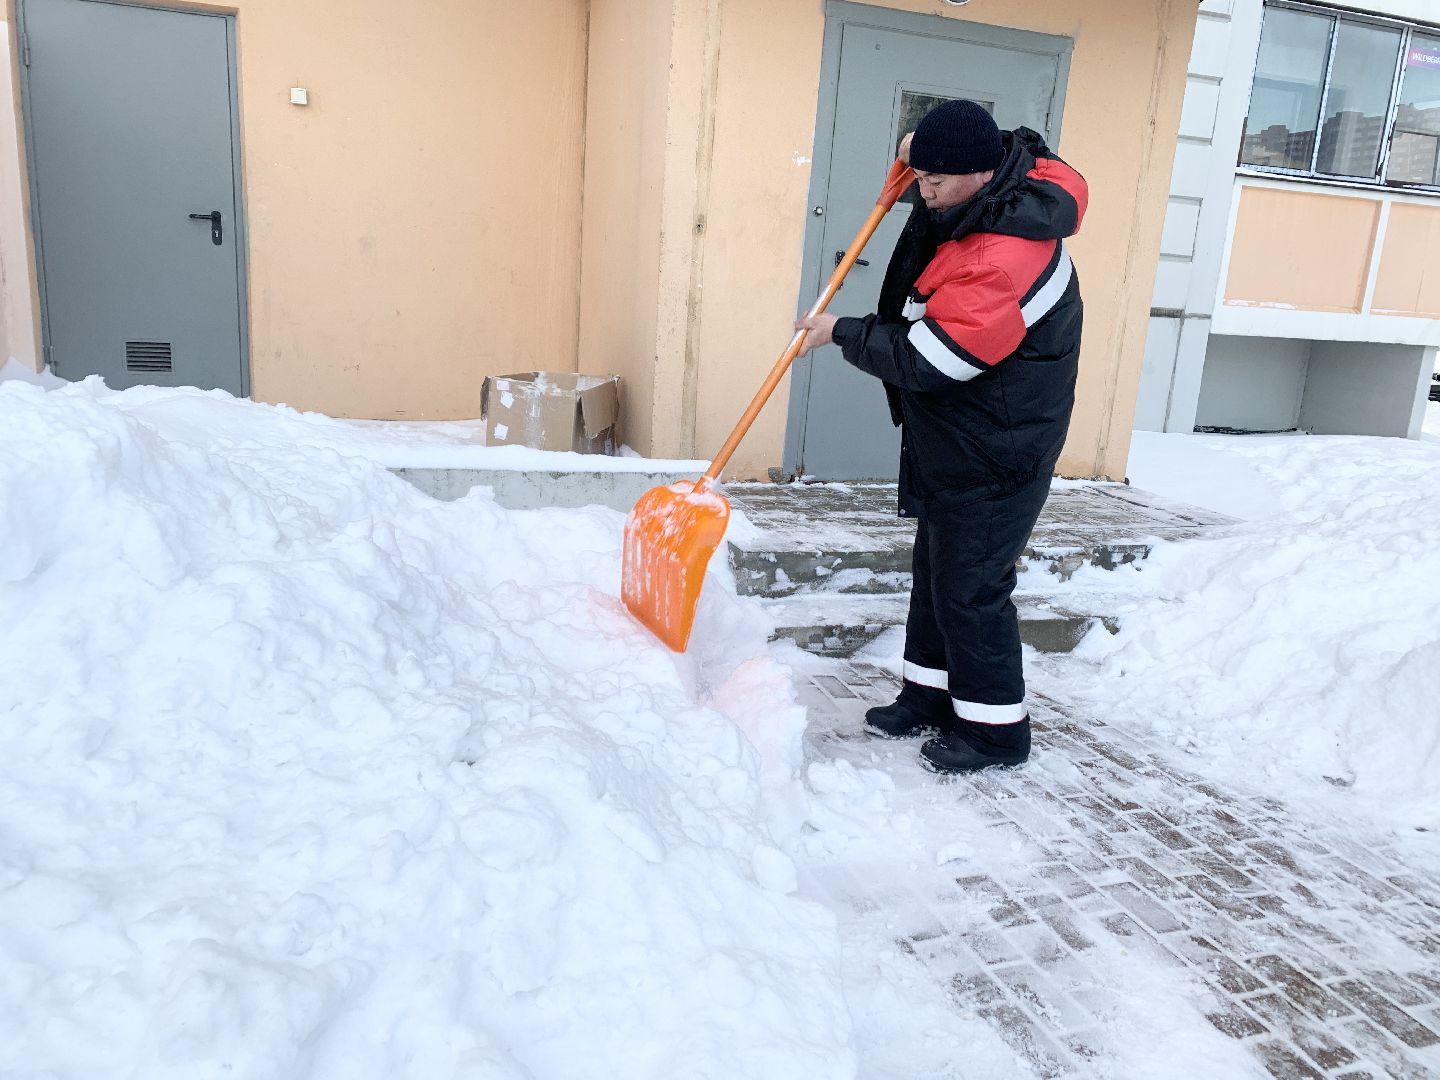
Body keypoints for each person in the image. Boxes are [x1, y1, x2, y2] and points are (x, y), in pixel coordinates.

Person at [795, 100, 1088, 774]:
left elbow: (936, 359)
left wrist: (842, 332)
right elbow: (967, 153)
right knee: (935, 579)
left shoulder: (1001, 256)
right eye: (919, 177)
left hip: (997, 449)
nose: (921, 192)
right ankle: (927, 697)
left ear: (981, 173)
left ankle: (994, 733)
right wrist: (917, 154)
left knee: (970, 590)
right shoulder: (992, 193)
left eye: (934, 181)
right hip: (959, 437)